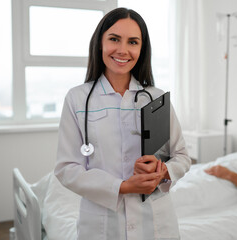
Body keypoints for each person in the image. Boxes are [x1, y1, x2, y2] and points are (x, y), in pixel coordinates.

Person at [54, 8, 191, 240]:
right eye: (114, 39)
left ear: (142, 49)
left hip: (157, 223)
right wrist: (124, 187)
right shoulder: (77, 98)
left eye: (133, 42)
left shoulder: (156, 98)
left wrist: (161, 171)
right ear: (100, 43)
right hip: (101, 224)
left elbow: (182, 156)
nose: (123, 50)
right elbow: (66, 168)